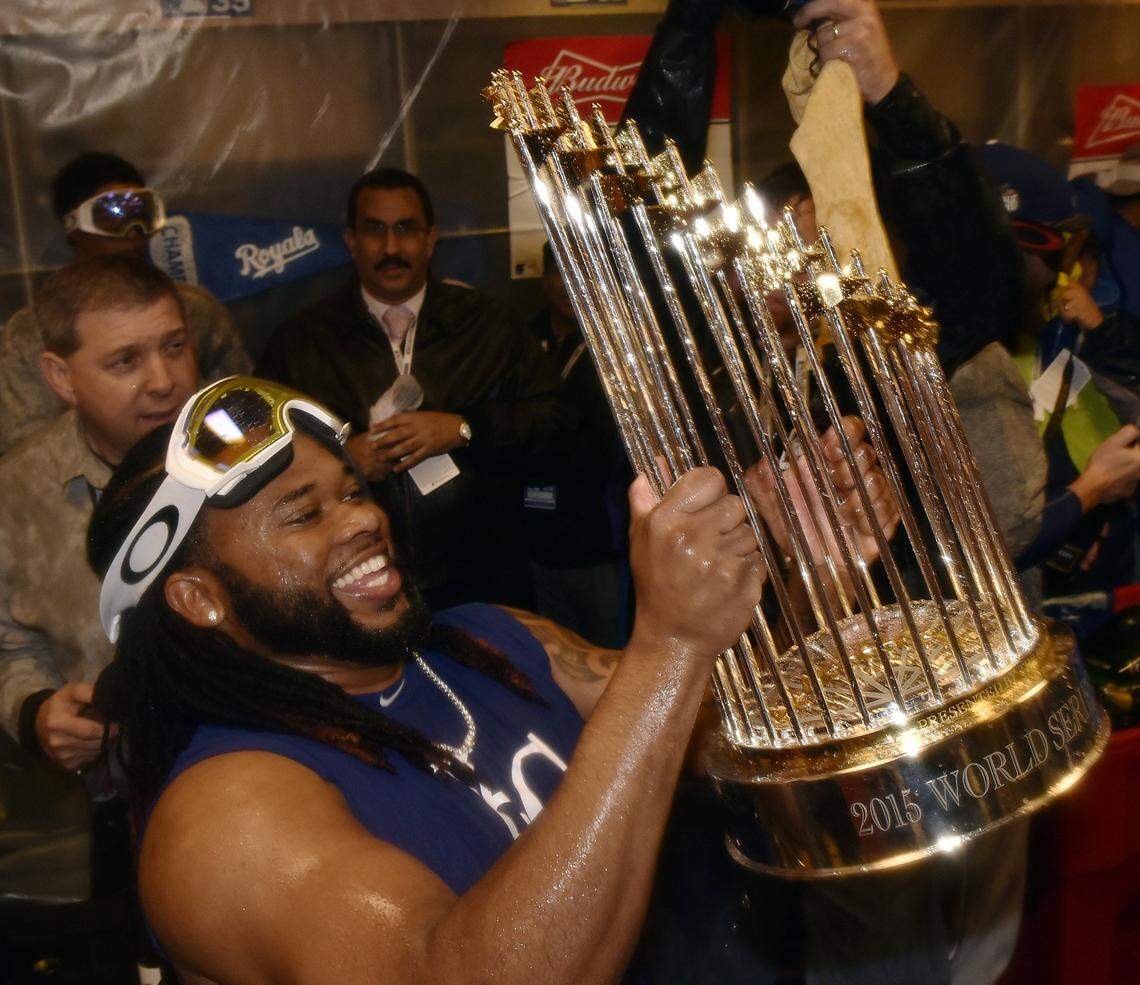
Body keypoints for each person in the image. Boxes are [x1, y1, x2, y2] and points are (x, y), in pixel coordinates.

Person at [86, 376, 894, 984]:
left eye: (354, 491)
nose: (365, 519)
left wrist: (800, 574)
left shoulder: (488, 640)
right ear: (200, 599)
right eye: (304, 514)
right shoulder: (226, 815)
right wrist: (670, 643)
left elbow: (715, 736)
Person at [257, 167, 574, 610]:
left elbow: (558, 421)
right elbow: (266, 456)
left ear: (430, 239)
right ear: (351, 240)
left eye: (405, 230)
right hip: (356, 582)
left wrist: (464, 428)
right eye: (375, 231)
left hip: (486, 577)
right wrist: (342, 462)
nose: (390, 248)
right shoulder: (301, 342)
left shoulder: (488, 325)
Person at [0, 254, 199, 769]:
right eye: (125, 361)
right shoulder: (17, 493)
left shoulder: (261, 455)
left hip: (283, 764)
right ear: (61, 379)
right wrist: (37, 710)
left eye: (175, 347)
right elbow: (10, 645)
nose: (163, 380)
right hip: (125, 782)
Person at [0, 151, 250, 454]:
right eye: (112, 215)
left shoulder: (197, 309)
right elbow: (25, 450)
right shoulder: (29, 333)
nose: (132, 231)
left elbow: (242, 408)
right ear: (72, 225)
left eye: (140, 214)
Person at [524, 243, 630, 648]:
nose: (568, 284)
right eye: (558, 271)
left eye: (579, 270)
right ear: (543, 278)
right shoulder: (523, 340)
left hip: (600, 541)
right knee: (552, 658)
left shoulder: (616, 346)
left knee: (609, 658)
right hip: (535, 541)